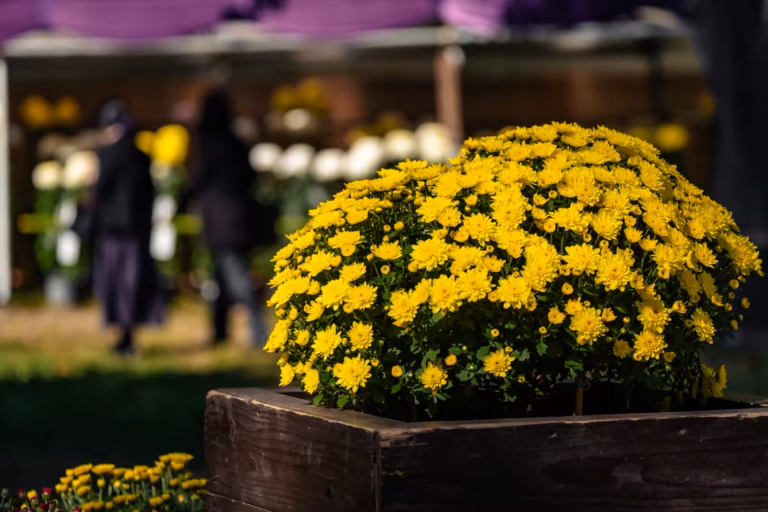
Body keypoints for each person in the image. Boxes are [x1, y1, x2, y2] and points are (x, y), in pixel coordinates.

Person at [181, 90, 268, 348]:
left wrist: (183, 200)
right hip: (240, 218)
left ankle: (258, 333)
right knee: (222, 275)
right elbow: (252, 178)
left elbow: (198, 181)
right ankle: (220, 332)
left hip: (220, 222)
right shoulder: (235, 143)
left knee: (236, 278)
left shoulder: (206, 146)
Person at [90, 101, 164, 354]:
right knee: (132, 283)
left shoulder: (107, 155)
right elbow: (150, 194)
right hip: (136, 230)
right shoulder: (141, 156)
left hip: (112, 230)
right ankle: (128, 335)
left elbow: (99, 193)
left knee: (114, 281)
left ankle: (123, 336)